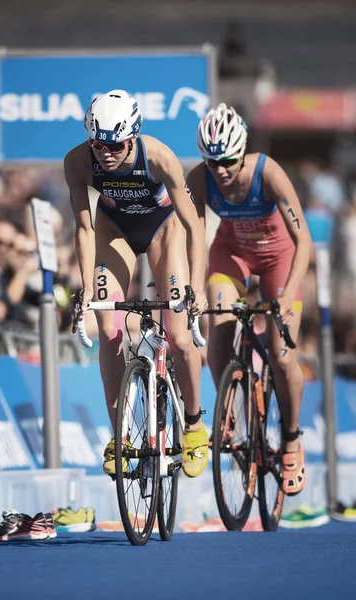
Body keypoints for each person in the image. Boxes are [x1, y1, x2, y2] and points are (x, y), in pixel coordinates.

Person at [64, 89, 208, 478]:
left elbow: (193, 225)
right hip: (116, 233)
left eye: (116, 145)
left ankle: (194, 424)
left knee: (179, 335)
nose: (106, 153)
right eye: (99, 144)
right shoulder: (78, 161)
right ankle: (119, 435)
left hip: (165, 231)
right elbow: (83, 227)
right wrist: (87, 288)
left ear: (134, 136)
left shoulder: (158, 156)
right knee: (109, 329)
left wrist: (196, 286)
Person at [187, 103, 312, 496]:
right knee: (218, 321)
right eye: (211, 162)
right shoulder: (200, 179)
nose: (220, 170)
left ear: (242, 153)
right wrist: (191, 287)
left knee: (282, 354)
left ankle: (291, 437)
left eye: (227, 161)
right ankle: (227, 405)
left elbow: (303, 239)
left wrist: (288, 295)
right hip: (233, 252)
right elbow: (190, 238)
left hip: (280, 257)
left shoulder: (267, 171)